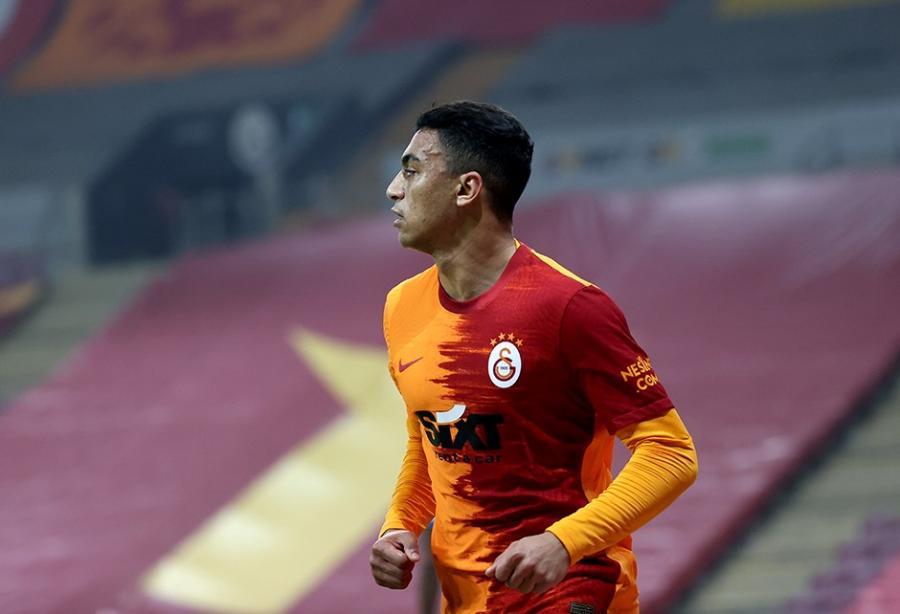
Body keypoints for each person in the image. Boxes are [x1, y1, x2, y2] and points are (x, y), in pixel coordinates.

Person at [369, 101, 698, 613]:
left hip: (571, 590)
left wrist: (564, 542)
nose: (394, 188)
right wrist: (400, 525)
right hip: (468, 599)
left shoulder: (569, 307)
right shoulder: (402, 307)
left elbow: (670, 453)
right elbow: (430, 438)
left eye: (411, 171)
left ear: (466, 189)